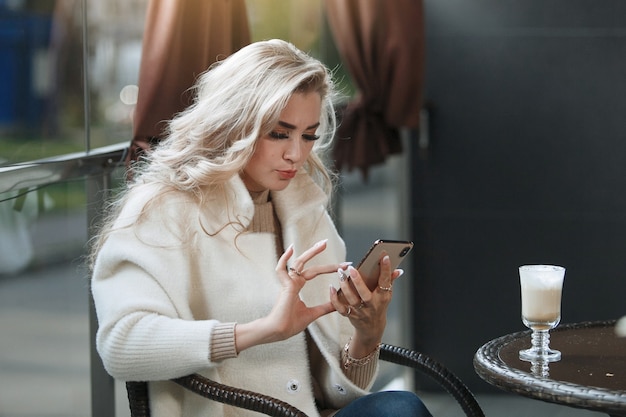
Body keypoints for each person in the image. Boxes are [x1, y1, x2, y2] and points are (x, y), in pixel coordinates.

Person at [89, 39, 432, 417]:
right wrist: (263, 331)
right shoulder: (164, 208)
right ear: (233, 124)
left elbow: (337, 395)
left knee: (400, 407)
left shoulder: (303, 209)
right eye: (279, 133)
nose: (296, 154)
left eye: (308, 135)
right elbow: (121, 344)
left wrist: (368, 333)